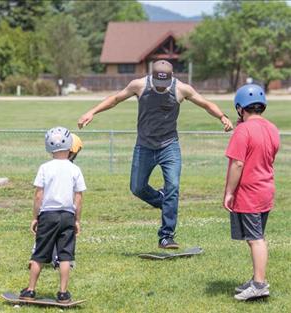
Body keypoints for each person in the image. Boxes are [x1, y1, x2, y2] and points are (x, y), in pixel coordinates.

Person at [78, 60, 233, 249]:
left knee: (173, 186)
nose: (161, 89)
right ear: (151, 77)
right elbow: (116, 99)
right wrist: (92, 112)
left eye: (164, 85)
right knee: (137, 187)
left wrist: (222, 117)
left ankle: (166, 236)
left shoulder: (181, 89)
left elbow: (205, 104)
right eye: (158, 85)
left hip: (169, 146)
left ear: (171, 77)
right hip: (144, 145)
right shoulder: (139, 85)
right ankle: (164, 201)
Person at [223, 84, 280, 301]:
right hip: (266, 189)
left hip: (249, 193)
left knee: (256, 239)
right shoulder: (272, 128)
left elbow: (238, 164)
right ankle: (257, 277)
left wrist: (229, 192)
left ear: (240, 108)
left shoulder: (243, 130)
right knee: (255, 237)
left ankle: (259, 285)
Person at [21, 127, 86, 303]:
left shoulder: (44, 168)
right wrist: (77, 220)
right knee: (65, 255)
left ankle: (30, 290)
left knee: (40, 254)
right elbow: (78, 198)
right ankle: (63, 293)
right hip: (67, 215)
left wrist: (35, 217)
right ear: (71, 146)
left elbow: (38, 195)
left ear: (48, 146)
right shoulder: (75, 169)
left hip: (48, 215)